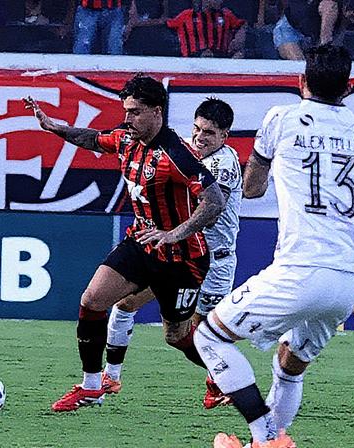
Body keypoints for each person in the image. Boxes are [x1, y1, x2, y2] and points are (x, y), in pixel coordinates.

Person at [195, 44, 354, 448]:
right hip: (349, 280)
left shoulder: (281, 119)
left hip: (299, 270)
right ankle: (264, 445)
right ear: (348, 88)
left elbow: (252, 188)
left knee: (209, 336)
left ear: (301, 82)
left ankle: (263, 431)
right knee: (289, 366)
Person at [24, 74, 226, 412]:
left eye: (134, 112)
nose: (127, 118)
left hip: (181, 258)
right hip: (141, 244)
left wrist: (173, 233)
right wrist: (53, 127)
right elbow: (91, 138)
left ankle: (222, 373)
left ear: (157, 112)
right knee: (92, 300)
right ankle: (92, 385)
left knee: (176, 336)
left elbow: (214, 200)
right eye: (126, 111)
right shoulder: (125, 141)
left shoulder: (175, 154)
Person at [102, 98, 243, 409]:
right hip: (177, 256)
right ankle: (109, 377)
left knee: (203, 336)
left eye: (209, 132)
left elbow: (210, 211)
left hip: (213, 263)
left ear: (224, 137)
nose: (200, 137)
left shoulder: (224, 164)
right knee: (125, 302)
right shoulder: (186, 154)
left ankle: (226, 379)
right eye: (196, 129)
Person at [165, 0, 248, 58]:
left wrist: (239, 37)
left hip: (220, 61)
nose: (221, 1)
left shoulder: (226, 15)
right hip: (191, 61)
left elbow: (243, 24)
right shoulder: (186, 15)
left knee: (241, 55)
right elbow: (166, 24)